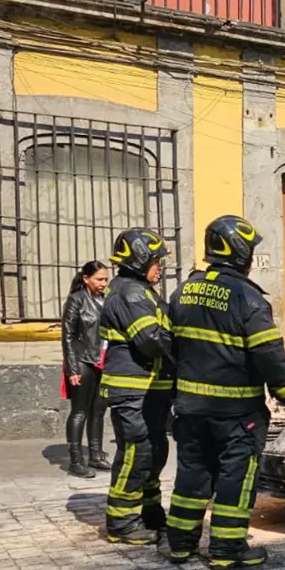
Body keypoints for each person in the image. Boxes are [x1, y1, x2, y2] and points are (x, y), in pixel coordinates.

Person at [166, 214, 285, 569]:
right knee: (235, 479)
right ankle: (227, 550)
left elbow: (171, 346)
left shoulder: (184, 290)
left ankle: (180, 545)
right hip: (235, 414)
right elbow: (269, 356)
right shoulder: (248, 299)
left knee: (192, 474)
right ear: (241, 253)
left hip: (190, 409)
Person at [98, 228, 175, 545]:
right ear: (141, 259)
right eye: (157, 260)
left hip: (151, 387)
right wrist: (190, 349)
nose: (161, 267)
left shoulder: (141, 290)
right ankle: (122, 522)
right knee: (137, 450)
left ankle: (149, 511)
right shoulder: (130, 293)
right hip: (133, 388)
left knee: (155, 449)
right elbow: (150, 340)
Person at [61, 260, 112, 479]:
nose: (103, 283)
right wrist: (72, 369)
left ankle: (95, 454)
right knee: (80, 410)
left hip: (103, 360)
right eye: (99, 279)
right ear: (86, 278)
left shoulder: (107, 300)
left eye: (106, 279)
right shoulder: (76, 300)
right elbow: (68, 336)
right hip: (83, 360)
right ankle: (75, 460)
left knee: (99, 410)